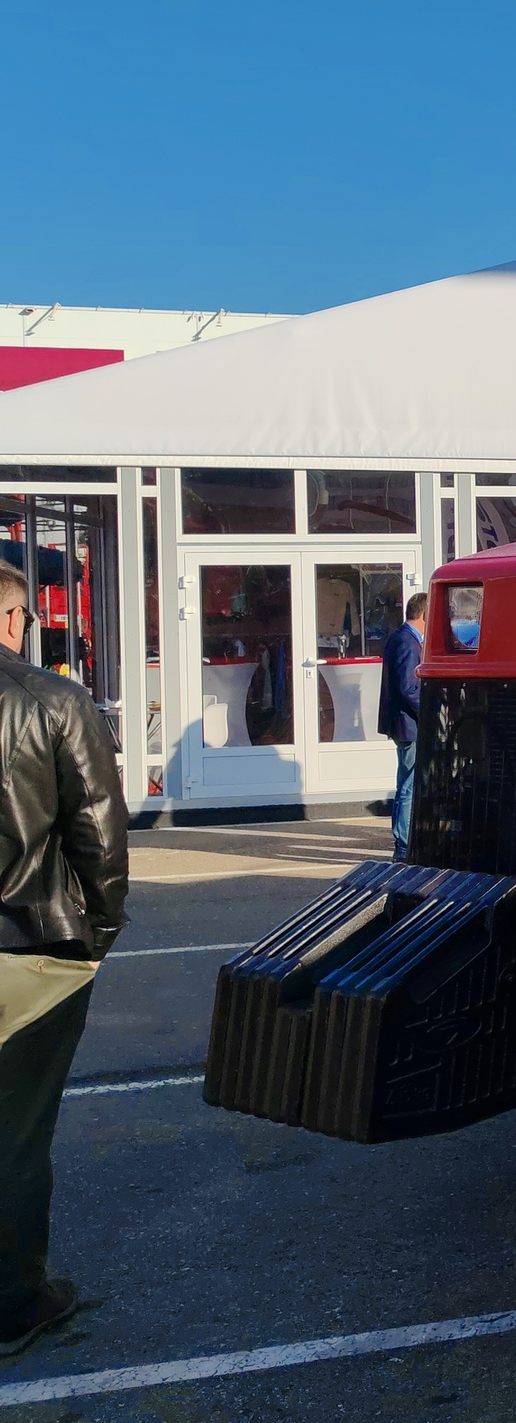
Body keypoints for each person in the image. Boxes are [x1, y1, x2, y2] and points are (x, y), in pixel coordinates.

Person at [0, 563, 127, 1358]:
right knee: (15, 1136)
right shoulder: (54, 700)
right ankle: (16, 1302)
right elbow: (100, 839)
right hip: (32, 947)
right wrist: (96, 936)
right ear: (14, 620)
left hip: (35, 945)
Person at [378, 592, 428, 860]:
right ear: (424, 615)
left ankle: (403, 842)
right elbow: (409, 688)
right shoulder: (408, 642)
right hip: (410, 725)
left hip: (404, 724)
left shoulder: (401, 637)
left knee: (405, 783)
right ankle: (404, 845)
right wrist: (429, 713)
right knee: (409, 786)